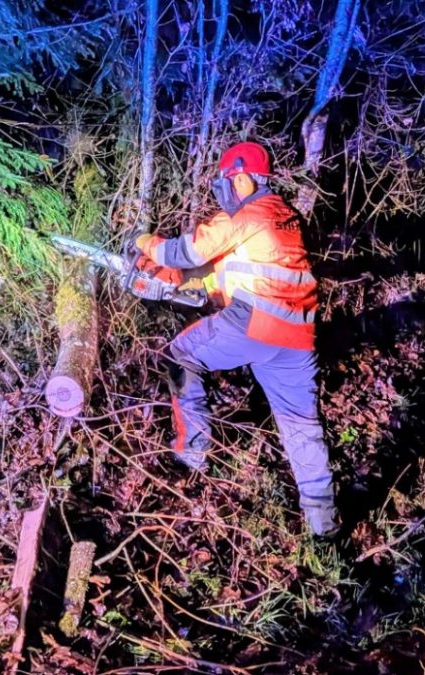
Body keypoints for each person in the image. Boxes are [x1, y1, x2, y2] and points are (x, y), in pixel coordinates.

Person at [134, 141, 338, 537]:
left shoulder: (246, 214)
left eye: (225, 183)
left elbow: (185, 251)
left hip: (255, 323)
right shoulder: (284, 216)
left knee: (180, 356)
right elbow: (235, 268)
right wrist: (187, 284)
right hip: (297, 337)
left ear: (241, 178)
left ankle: (192, 454)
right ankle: (322, 524)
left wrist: (145, 243)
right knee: (301, 425)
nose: (223, 192)